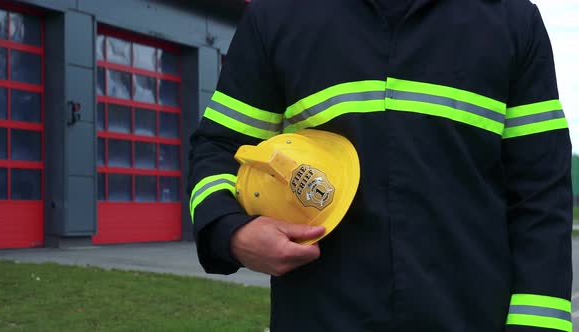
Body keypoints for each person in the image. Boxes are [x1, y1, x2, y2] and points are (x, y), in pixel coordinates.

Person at [188, 0, 573, 331]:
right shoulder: (279, 17)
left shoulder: (512, 22)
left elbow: (541, 195)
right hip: (321, 317)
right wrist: (232, 232)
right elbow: (220, 146)